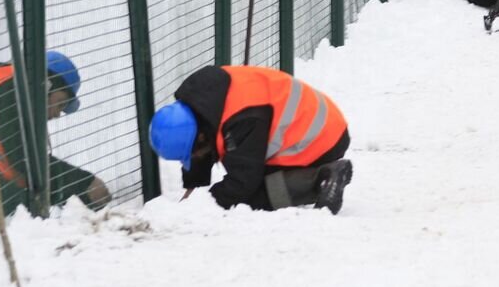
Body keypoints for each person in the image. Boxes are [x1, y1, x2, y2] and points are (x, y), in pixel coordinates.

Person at [0, 50, 111, 235]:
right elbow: (26, 162)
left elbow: (20, 161)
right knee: (25, 211)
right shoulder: (15, 88)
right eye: (60, 104)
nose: (56, 114)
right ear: (46, 85)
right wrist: (84, 184)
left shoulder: (1, 81)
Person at [149, 65, 354, 214]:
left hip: (321, 138)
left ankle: (322, 177)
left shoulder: (241, 120)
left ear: (201, 137)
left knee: (257, 195)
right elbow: (201, 145)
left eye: (191, 153)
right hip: (318, 120)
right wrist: (192, 189)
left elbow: (243, 181)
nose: (193, 158)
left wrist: (208, 203)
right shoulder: (202, 103)